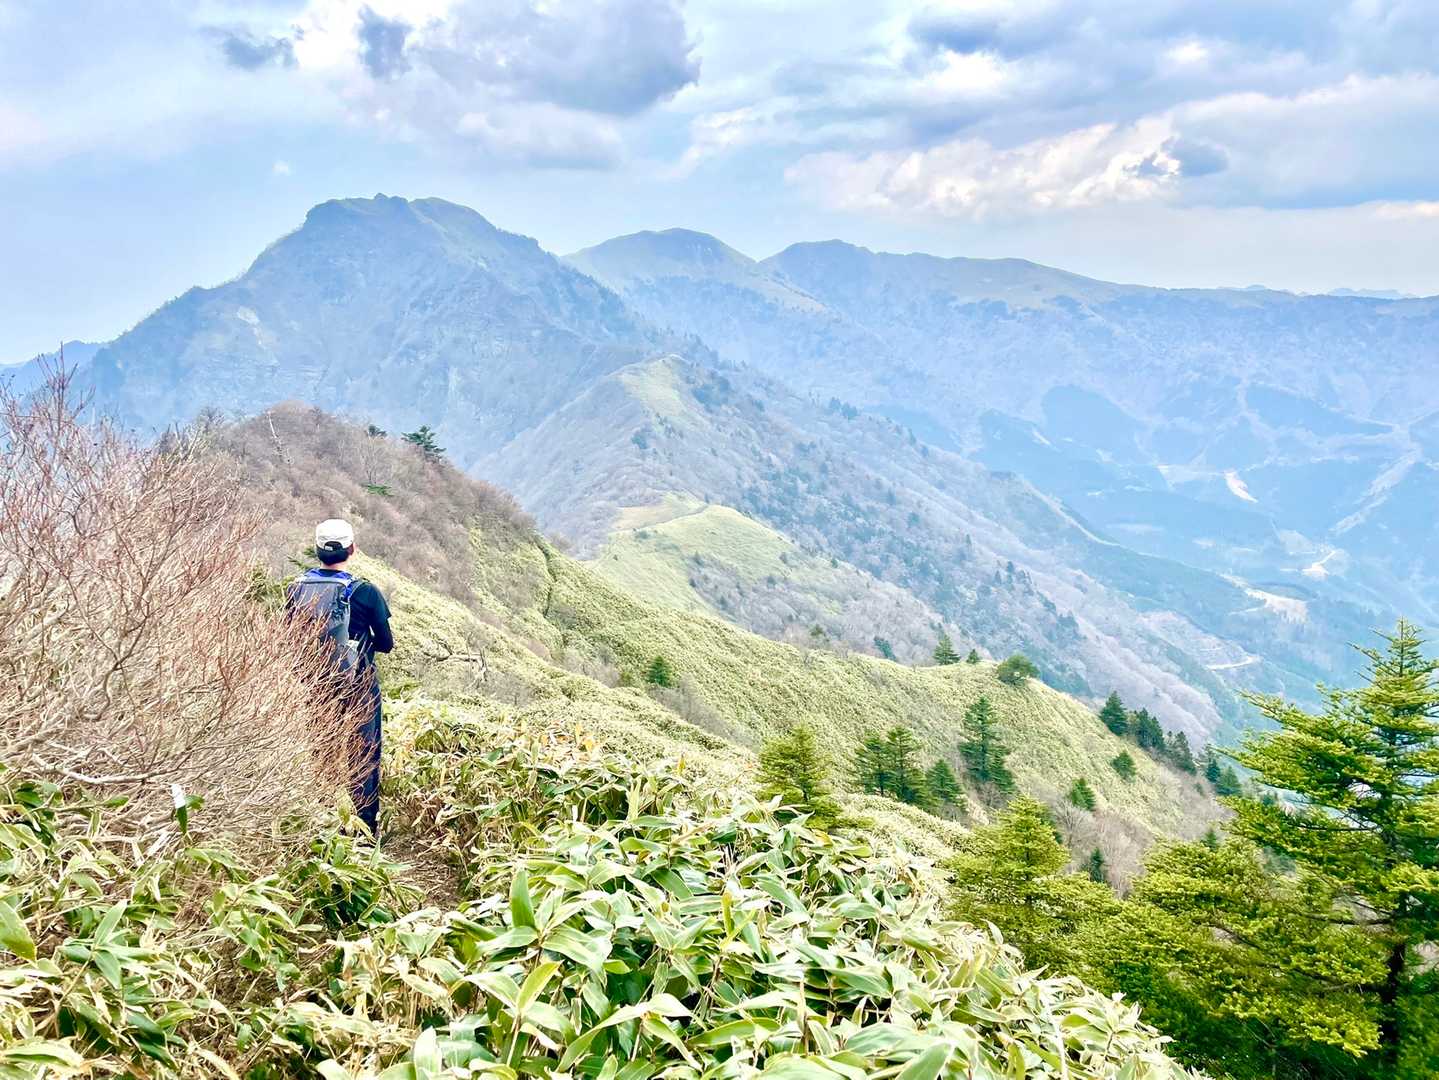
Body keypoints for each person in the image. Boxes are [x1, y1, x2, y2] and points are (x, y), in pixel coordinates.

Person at [288, 519, 392, 837]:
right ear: (352, 549)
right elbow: (386, 643)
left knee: (323, 748)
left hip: (317, 682)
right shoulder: (365, 592)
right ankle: (364, 830)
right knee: (363, 751)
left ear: (318, 551)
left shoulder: (296, 589)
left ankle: (325, 822)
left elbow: (288, 637)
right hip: (359, 683)